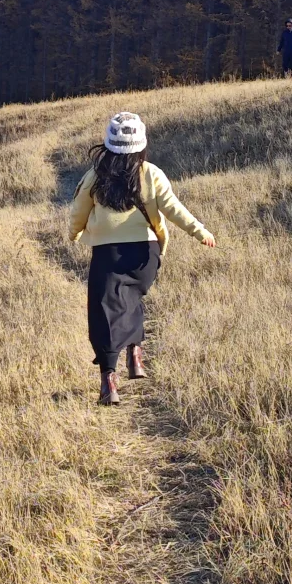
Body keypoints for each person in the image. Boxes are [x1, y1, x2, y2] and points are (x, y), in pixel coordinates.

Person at [68, 111, 215, 406]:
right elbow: (174, 209)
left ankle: (109, 382)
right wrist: (200, 232)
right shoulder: (151, 173)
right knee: (132, 300)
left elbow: (77, 214)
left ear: (108, 143)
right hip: (144, 256)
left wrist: (75, 234)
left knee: (104, 312)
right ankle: (136, 352)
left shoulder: (94, 176)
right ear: (142, 143)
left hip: (107, 254)